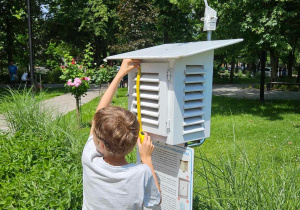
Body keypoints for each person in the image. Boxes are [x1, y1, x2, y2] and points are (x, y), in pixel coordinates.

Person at [82, 59, 161, 209]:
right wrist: (146, 158)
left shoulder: (89, 158)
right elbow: (156, 200)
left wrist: (120, 74)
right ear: (132, 145)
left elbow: (97, 117)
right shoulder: (141, 173)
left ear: (102, 144)